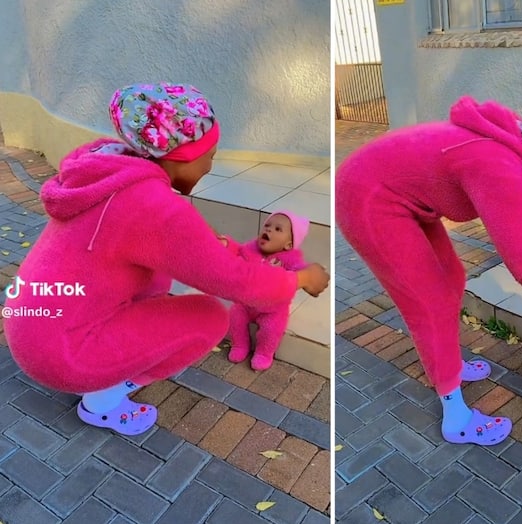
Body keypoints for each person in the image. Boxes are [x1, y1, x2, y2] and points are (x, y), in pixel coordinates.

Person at [2, 83, 330, 435]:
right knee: (208, 318)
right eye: (211, 155)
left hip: (30, 322)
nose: (210, 166)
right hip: (58, 353)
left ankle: (99, 371)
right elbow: (237, 281)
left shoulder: (109, 168)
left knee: (154, 279)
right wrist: (300, 279)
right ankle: (101, 401)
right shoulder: (154, 208)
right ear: (183, 154)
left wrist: (202, 248)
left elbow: (153, 244)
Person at [336, 96, 522, 445]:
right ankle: (456, 418)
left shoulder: (519, 148)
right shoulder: (500, 170)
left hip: (398, 196)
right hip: (367, 198)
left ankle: (447, 365)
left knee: (452, 278)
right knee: (429, 302)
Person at [220, 210, 311, 370]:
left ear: (288, 245)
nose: (268, 230)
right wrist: (227, 244)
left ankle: (263, 353)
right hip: (246, 304)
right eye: (267, 226)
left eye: (277, 229)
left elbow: (300, 273)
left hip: (272, 309)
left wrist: (304, 274)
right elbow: (238, 251)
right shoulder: (252, 248)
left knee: (271, 329)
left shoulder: (290, 259)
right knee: (235, 317)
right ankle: (239, 345)